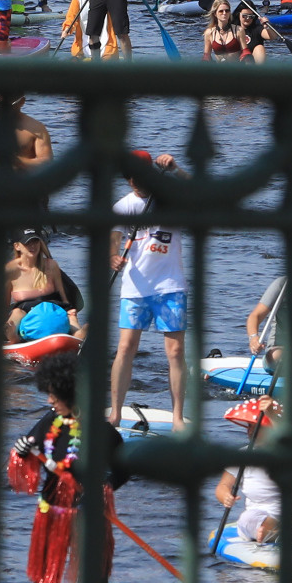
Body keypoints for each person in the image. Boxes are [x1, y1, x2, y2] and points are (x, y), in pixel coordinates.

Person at [109, 156, 188, 420]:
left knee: (175, 351)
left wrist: (176, 170)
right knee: (125, 348)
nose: (134, 184)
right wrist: (113, 257)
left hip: (170, 285)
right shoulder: (124, 205)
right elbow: (114, 236)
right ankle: (116, 413)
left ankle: (177, 416)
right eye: (130, 179)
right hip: (136, 287)